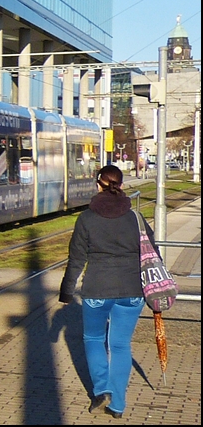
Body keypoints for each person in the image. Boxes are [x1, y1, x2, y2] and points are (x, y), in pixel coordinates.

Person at [58, 164, 154, 419]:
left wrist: (67, 293)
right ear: (121, 185)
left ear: (98, 183)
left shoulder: (87, 219)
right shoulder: (136, 218)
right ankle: (118, 405)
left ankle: (102, 390)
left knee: (93, 339)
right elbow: (152, 254)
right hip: (133, 291)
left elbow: (76, 259)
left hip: (97, 289)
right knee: (121, 344)